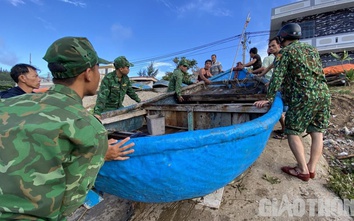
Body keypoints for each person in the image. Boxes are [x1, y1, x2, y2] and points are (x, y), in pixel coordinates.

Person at [0, 37, 134, 220]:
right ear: (88, 73)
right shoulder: (89, 128)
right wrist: (100, 152)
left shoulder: (8, 104)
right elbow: (68, 203)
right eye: (97, 69)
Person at [254, 23, 331, 182]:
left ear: (283, 37)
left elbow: (277, 77)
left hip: (303, 96)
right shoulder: (312, 50)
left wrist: (268, 98)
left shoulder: (285, 53)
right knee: (317, 132)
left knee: (292, 131)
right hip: (323, 93)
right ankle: (311, 168)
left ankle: (302, 170)